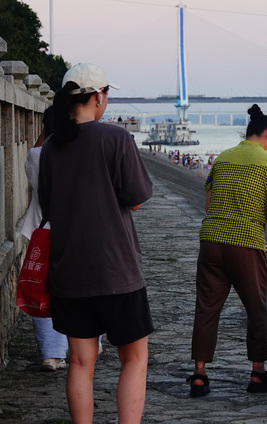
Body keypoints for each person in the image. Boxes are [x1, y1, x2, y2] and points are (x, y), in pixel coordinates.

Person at [38, 63, 153, 424]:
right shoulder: (116, 139)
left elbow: (47, 203)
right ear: (98, 96)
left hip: (70, 271)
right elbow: (136, 198)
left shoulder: (52, 147)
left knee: (79, 361)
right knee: (134, 358)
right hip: (117, 270)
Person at [189, 104, 267, 397]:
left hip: (211, 241)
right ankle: (258, 373)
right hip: (246, 244)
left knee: (207, 308)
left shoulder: (222, 159)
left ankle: (199, 374)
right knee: (257, 309)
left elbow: (208, 206)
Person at [21, 106, 69, 372]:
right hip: (75, 234)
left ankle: (51, 353)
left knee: (42, 291)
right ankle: (88, 341)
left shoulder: (36, 156)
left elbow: (37, 153)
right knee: (81, 289)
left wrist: (46, 128)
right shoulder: (79, 155)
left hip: (43, 232)